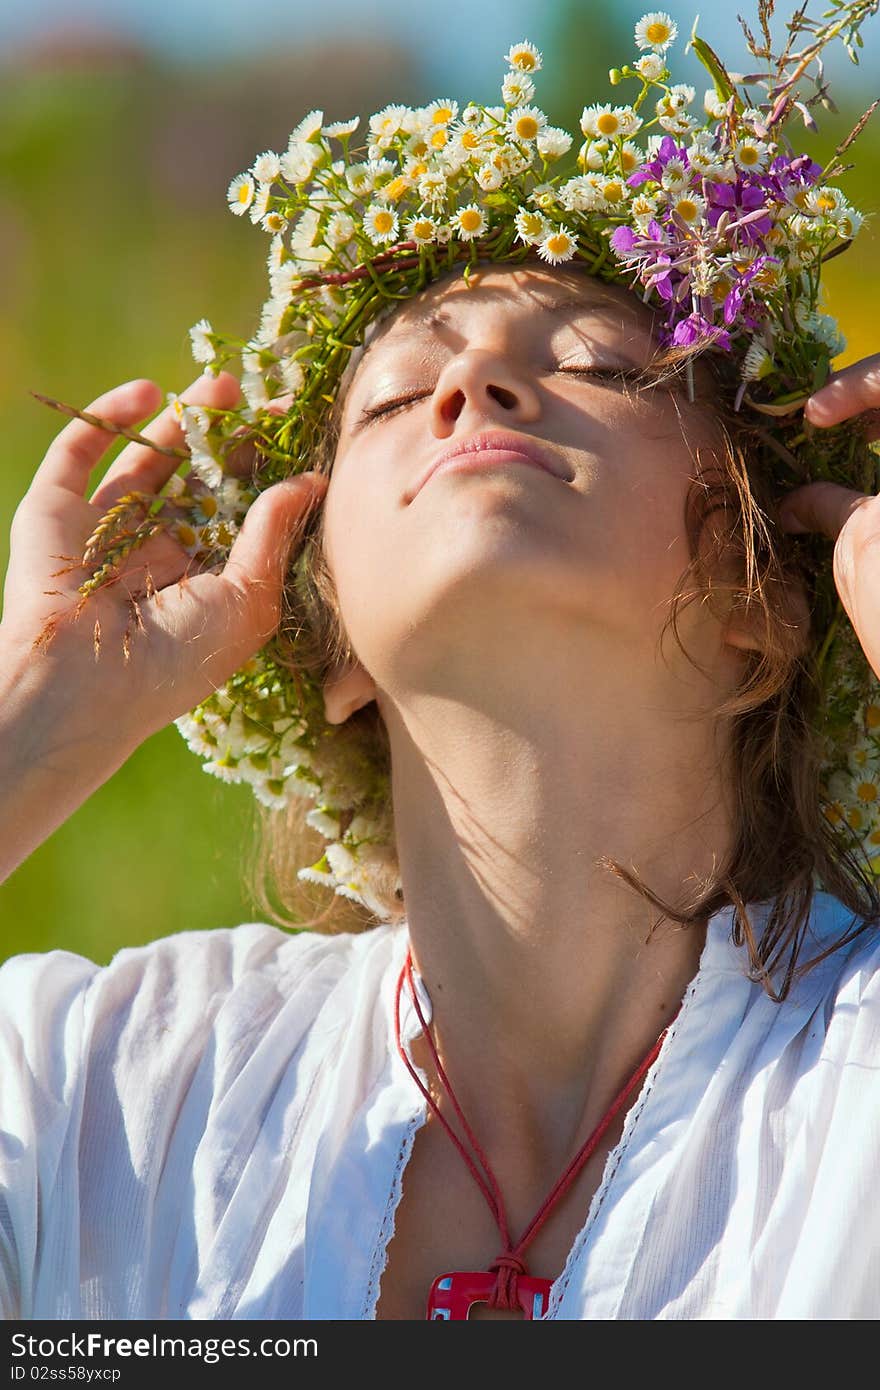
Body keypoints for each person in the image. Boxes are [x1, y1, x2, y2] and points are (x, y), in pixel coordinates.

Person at [2, 255, 880, 1320]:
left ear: (764, 596)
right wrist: (36, 725)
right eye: (399, 398)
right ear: (332, 643)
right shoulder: (105, 1085)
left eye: (600, 368)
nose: (470, 385)